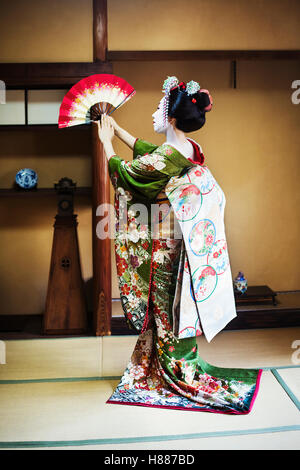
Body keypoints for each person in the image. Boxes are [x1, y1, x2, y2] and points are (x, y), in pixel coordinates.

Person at [97, 76, 262, 414]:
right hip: (178, 240)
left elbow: (130, 173)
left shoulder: (170, 155)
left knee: (167, 310)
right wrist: (118, 131)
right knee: (175, 309)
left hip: (166, 245)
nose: (155, 114)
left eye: (159, 108)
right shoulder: (185, 149)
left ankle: (173, 370)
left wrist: (105, 143)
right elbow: (152, 153)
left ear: (171, 118)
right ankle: (173, 363)